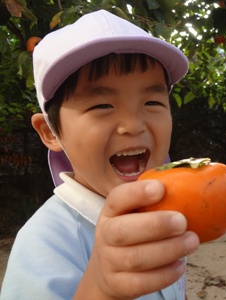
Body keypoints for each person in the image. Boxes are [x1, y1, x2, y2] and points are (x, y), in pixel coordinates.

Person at [0, 10, 200, 299]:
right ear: (50, 132)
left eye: (152, 101)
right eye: (102, 105)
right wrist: (99, 289)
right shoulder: (44, 243)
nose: (133, 125)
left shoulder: (167, 205)